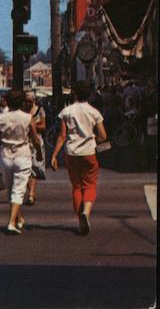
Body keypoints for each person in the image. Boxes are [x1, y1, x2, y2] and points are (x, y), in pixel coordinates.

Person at [51, 81, 107, 236]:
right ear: (89, 94)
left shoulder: (66, 111)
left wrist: (54, 155)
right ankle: (86, 212)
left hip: (71, 153)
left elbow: (62, 135)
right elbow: (103, 136)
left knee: (76, 187)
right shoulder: (94, 112)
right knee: (90, 185)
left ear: (74, 93)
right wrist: (95, 137)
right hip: (89, 152)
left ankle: (80, 220)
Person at [0, 90, 42, 235]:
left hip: (5, 154)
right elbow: (35, 138)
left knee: (10, 188)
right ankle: (12, 222)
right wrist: (38, 152)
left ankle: (18, 218)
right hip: (22, 153)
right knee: (18, 189)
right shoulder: (27, 117)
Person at [23, 92, 46, 205]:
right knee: (26, 169)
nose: (27, 104)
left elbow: (43, 126)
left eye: (29, 102)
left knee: (35, 167)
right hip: (25, 141)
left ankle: (31, 193)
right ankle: (31, 192)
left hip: (36, 140)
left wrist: (32, 125)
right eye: (26, 102)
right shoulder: (22, 112)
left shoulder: (39, 110)